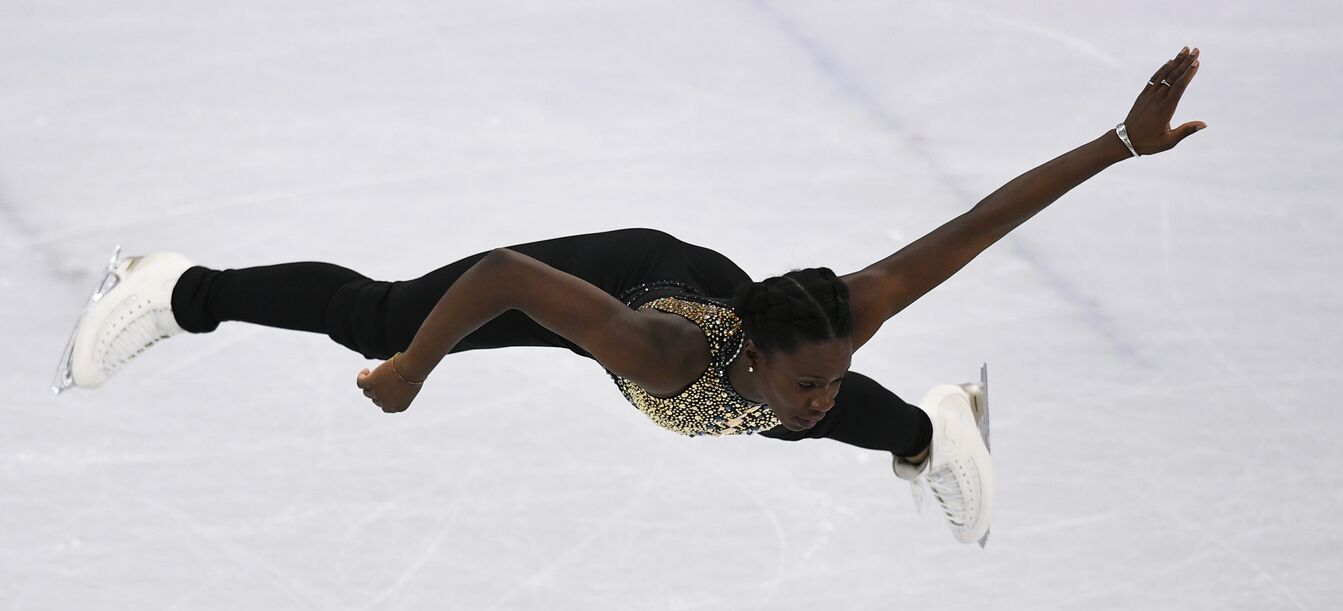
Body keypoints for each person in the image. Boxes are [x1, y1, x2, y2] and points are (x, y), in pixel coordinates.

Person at [52, 47, 1206, 546]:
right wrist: (412, 370)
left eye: (833, 369)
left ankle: (930, 430)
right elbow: (503, 274)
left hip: (725, 319)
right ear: (749, 357)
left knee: (823, 420)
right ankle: (175, 287)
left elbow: (977, 222)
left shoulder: (829, 332)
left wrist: (1117, 141)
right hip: (623, 282)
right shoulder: (664, 356)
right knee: (387, 312)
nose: (820, 392)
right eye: (806, 377)